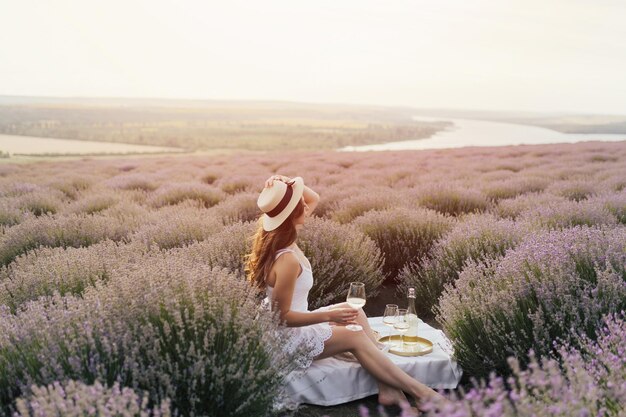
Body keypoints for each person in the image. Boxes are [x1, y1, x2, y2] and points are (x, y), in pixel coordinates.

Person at [244, 174, 444, 411]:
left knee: (353, 312)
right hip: (283, 340)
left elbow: (314, 196)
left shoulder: (285, 239)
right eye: (300, 204)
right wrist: (328, 317)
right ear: (292, 214)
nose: (307, 206)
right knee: (355, 334)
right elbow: (281, 318)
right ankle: (423, 393)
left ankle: (389, 389)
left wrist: (286, 184)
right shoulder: (286, 259)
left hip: (290, 325)